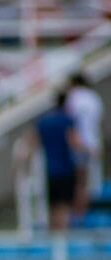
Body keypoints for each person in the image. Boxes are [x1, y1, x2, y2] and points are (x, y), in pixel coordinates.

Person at [33, 92, 83, 232]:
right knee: (64, 206)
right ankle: (61, 239)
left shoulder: (43, 122)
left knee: (52, 206)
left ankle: (53, 236)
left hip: (48, 171)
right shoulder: (66, 121)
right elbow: (74, 142)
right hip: (64, 168)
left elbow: (33, 143)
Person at [65, 73, 104, 211]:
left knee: (78, 182)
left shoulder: (74, 97)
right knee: (87, 182)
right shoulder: (94, 98)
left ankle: (78, 212)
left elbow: (70, 122)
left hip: (78, 142)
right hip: (92, 142)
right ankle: (84, 211)